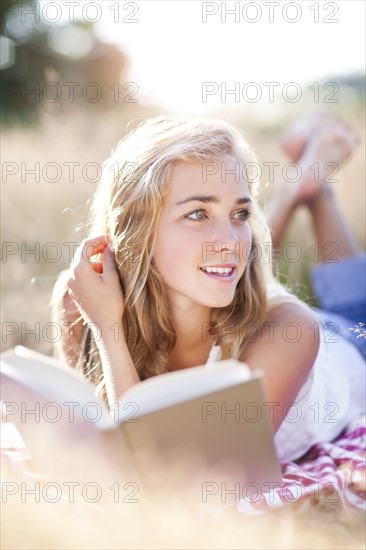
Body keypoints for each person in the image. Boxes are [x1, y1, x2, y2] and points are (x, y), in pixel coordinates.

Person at [53, 113, 365, 462]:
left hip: (351, 346)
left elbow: (179, 479)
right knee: (227, 263)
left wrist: (108, 331)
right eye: (198, 214)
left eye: (242, 214)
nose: (232, 241)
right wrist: (104, 322)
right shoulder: (83, 300)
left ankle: (314, 192)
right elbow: (92, 440)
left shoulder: (291, 332)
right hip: (255, 302)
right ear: (135, 228)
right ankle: (300, 187)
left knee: (355, 314)